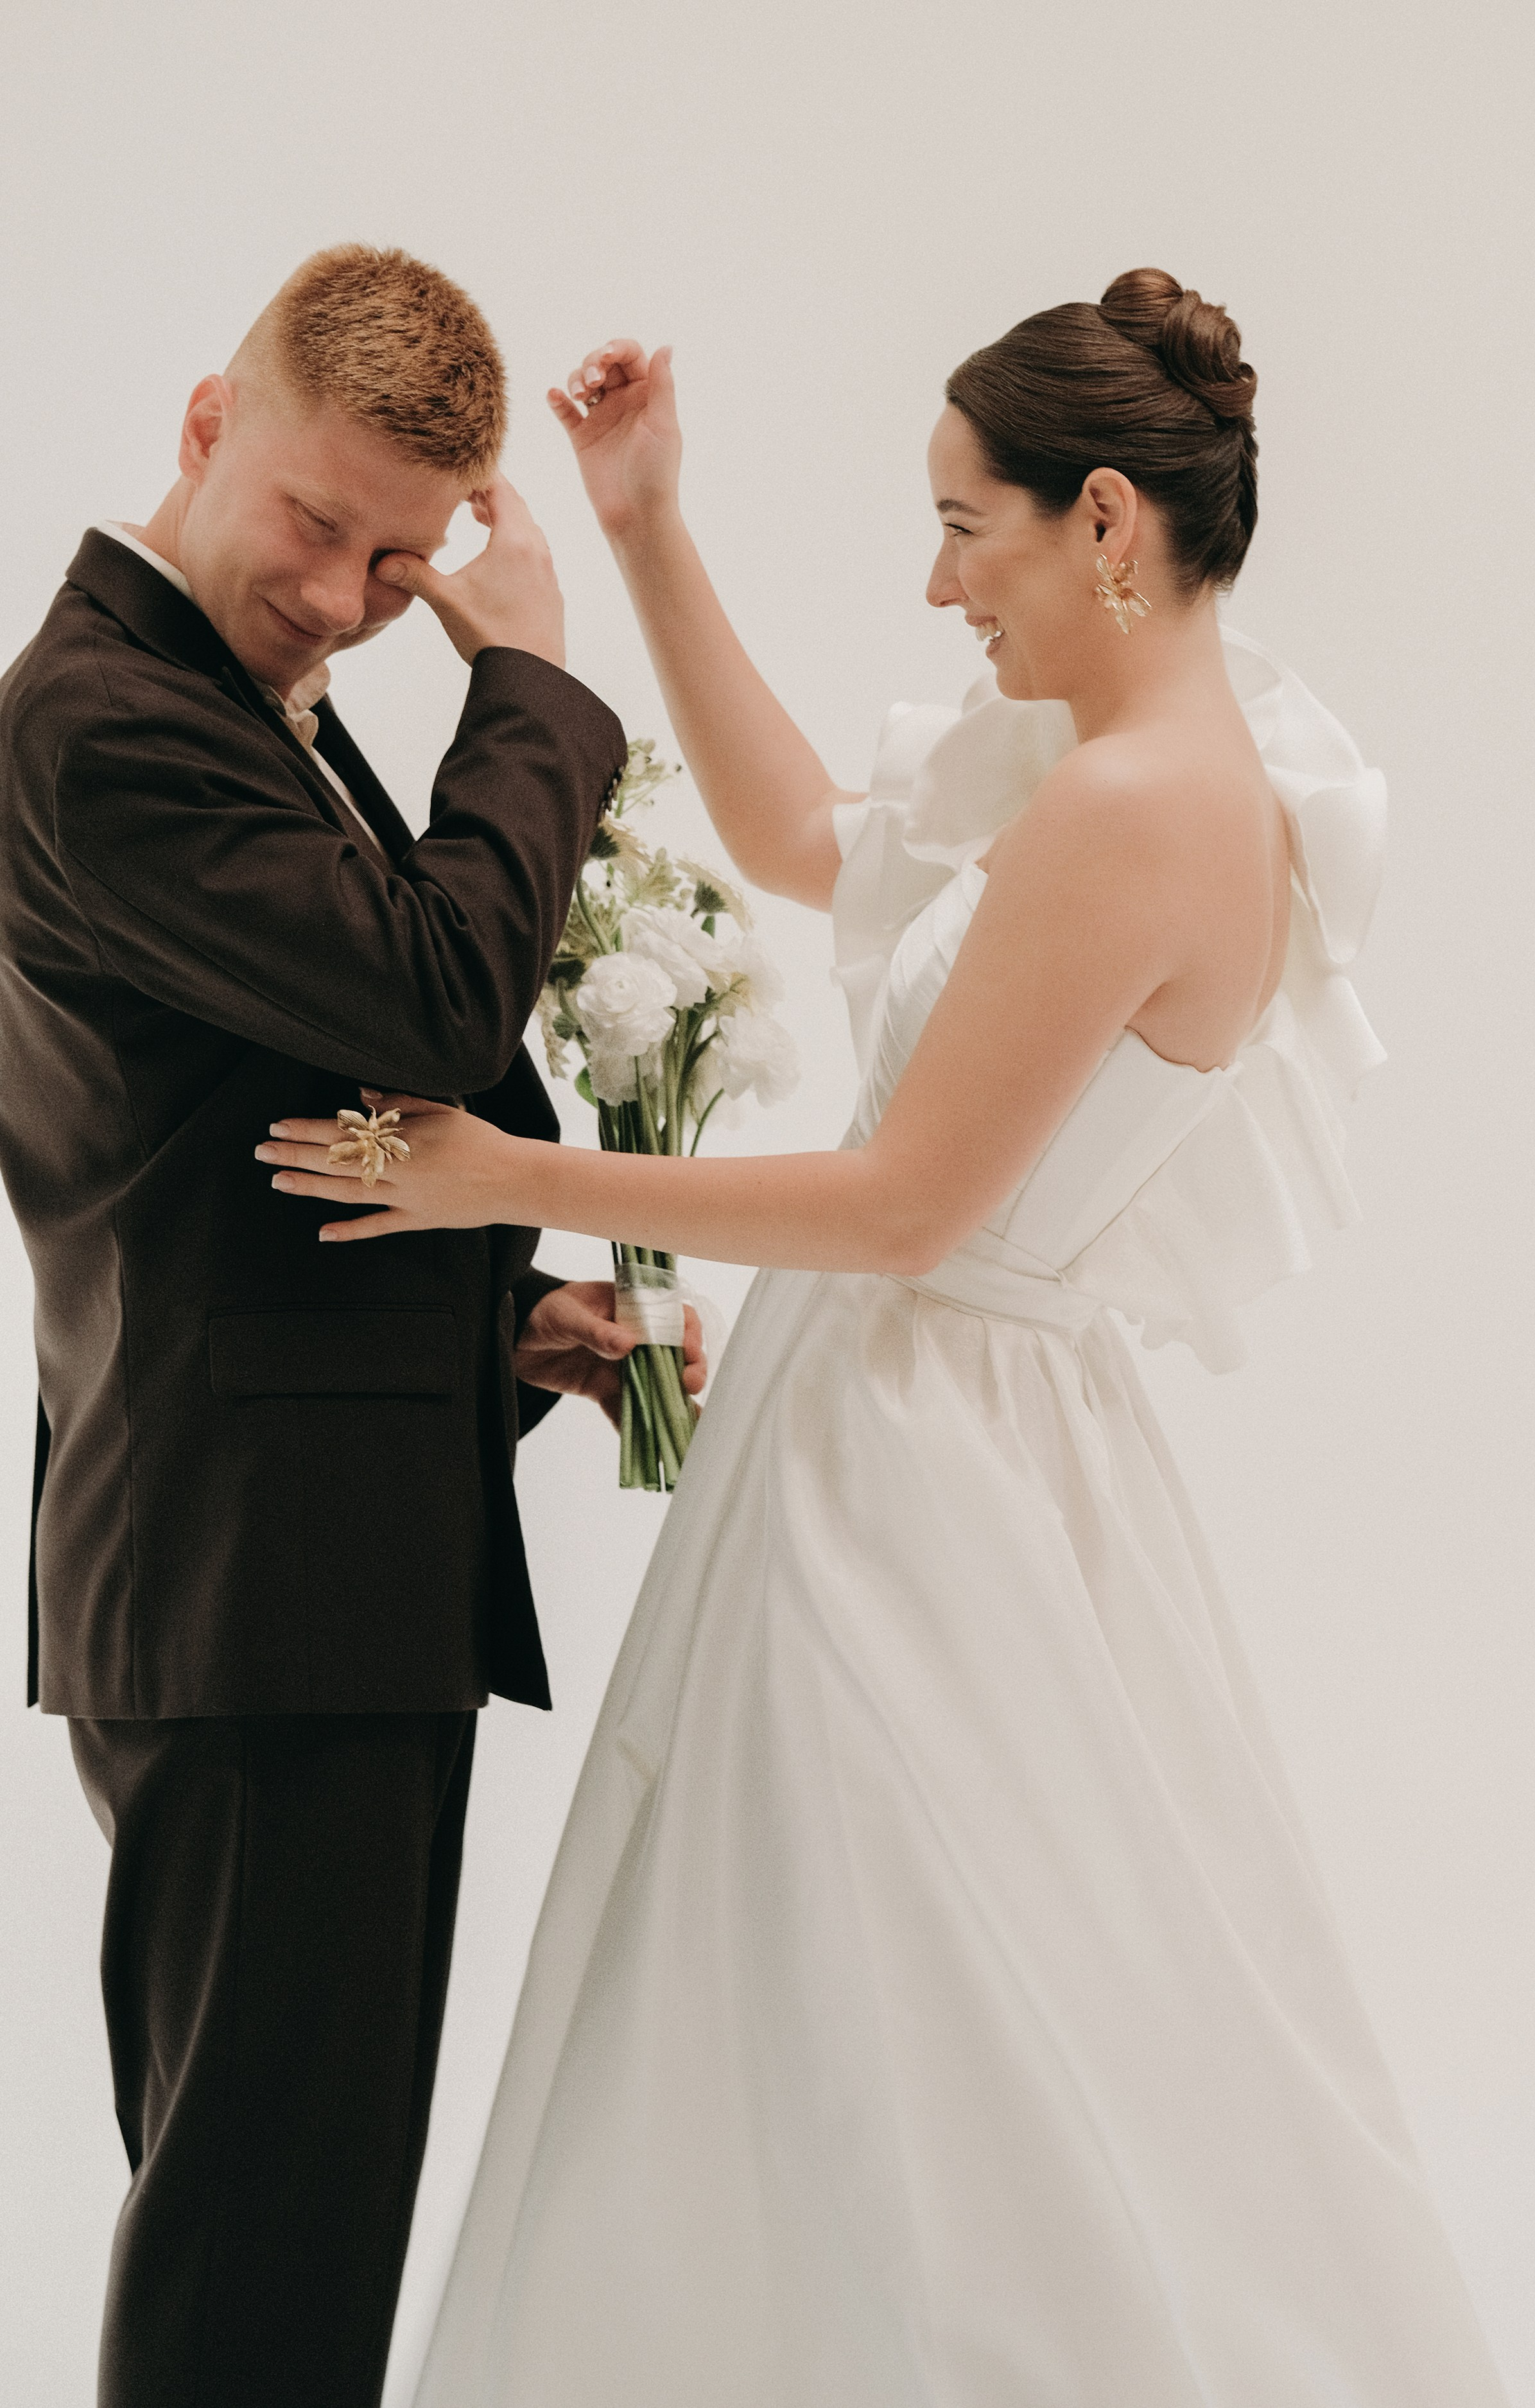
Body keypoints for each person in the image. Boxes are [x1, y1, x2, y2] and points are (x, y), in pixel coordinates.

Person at [265, 271, 1509, 2404]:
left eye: (968, 530)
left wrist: (502, 1178)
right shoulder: (1147, 755)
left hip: (923, 1475)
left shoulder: (1138, 808)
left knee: (895, 2019)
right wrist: (645, 524)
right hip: (942, 1436)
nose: (939, 586)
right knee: (865, 2008)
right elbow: (802, 847)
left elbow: (901, 1204)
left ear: (1103, 521)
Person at [0, 242, 704, 2408]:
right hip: (246, 1590)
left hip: (304, 1565)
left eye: (407, 566)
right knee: (255, 2259)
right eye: (319, 525)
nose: (343, 598)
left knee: (288, 2237)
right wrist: (533, 678)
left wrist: (496, 1322)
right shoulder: (101, 725)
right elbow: (431, 998)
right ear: (207, 422)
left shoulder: (235, 714)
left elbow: (246, 1129)